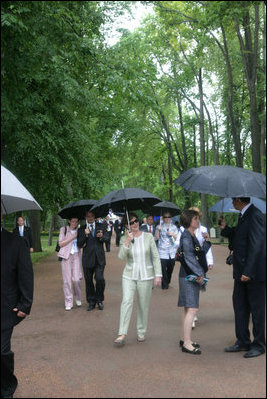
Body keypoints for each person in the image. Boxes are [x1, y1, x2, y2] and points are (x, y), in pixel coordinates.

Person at [218, 197, 266, 358]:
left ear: (239, 199)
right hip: (241, 272)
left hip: (253, 273)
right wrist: (225, 229)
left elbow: (257, 244)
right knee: (240, 306)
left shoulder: (255, 215)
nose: (232, 201)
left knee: (257, 309)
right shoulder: (243, 215)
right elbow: (240, 240)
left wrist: (249, 271)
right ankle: (243, 341)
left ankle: (259, 344)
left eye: (233, 199)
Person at [114, 213, 162, 346]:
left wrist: (158, 274)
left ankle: (141, 331)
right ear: (126, 225)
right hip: (129, 275)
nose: (135, 224)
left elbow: (156, 256)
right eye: (131, 222)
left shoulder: (148, 237)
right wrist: (127, 241)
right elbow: (121, 257)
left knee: (143, 305)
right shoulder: (124, 237)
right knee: (127, 301)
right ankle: (122, 333)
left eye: (136, 221)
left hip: (146, 276)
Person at [1, 226, 34, 398]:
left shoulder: (16, 242)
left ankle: (7, 388)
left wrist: (25, 304)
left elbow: (26, 274)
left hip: (5, 308)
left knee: (2, 352)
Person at [177, 209, 211, 355]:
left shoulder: (190, 235)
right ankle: (187, 343)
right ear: (189, 220)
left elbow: (198, 253)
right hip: (189, 276)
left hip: (187, 275)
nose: (198, 221)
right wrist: (199, 274)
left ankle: (185, 339)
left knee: (188, 308)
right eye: (195, 219)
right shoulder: (186, 236)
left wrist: (207, 243)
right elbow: (190, 258)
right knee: (192, 309)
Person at [77, 211, 109, 311]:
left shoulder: (102, 225)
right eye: (88, 216)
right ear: (85, 217)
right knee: (88, 281)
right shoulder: (82, 228)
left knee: (100, 279)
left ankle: (99, 300)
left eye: (91, 216)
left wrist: (101, 237)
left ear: (94, 216)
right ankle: (91, 301)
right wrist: (86, 235)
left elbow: (107, 238)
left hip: (99, 258)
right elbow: (79, 244)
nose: (90, 218)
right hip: (87, 258)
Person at [188, 207, 214, 328]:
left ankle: (193, 310)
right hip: (189, 263)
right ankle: (191, 315)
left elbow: (206, 248)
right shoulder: (184, 229)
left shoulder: (203, 229)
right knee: (190, 287)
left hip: (201, 263)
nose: (196, 218)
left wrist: (210, 261)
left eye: (197, 215)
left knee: (197, 288)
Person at [57, 218, 82, 311]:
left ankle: (78, 297)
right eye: (73, 221)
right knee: (67, 280)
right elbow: (61, 244)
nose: (74, 223)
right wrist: (73, 236)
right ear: (69, 221)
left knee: (76, 279)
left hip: (76, 256)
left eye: (76, 221)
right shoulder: (63, 230)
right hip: (66, 256)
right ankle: (68, 301)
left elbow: (82, 244)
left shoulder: (80, 230)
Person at [154, 212, 179, 289]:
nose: (167, 218)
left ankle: (167, 281)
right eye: (165, 217)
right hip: (162, 251)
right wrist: (158, 230)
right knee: (163, 269)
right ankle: (164, 285)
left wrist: (173, 234)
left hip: (171, 251)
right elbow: (156, 237)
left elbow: (177, 238)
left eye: (169, 217)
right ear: (163, 218)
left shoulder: (174, 227)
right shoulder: (159, 226)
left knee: (170, 268)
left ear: (171, 218)